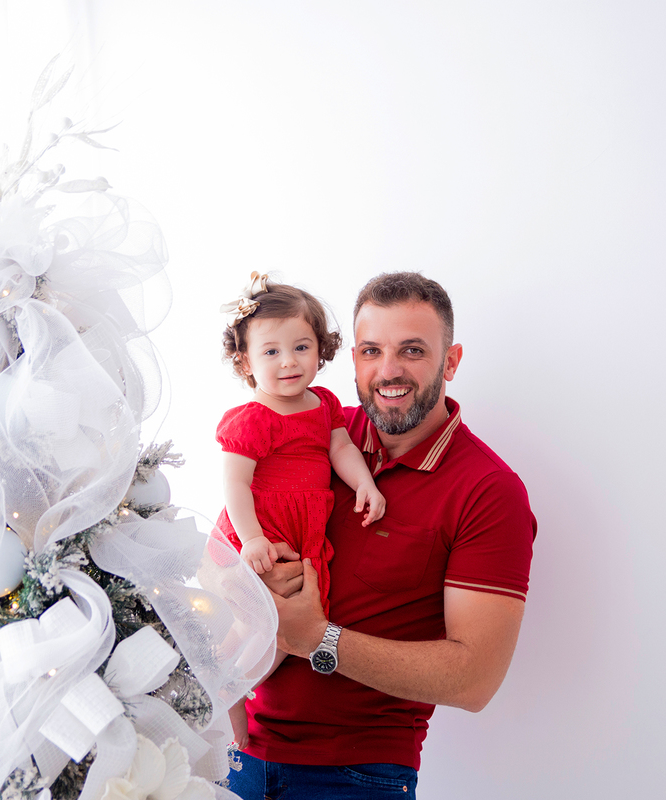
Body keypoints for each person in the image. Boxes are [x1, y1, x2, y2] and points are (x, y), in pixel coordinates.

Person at [228, 272, 536, 800]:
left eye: (412, 351)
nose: (388, 371)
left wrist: (316, 639)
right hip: (233, 756)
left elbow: (474, 679)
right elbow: (231, 533)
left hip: (353, 777)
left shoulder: (488, 490)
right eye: (371, 350)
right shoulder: (309, 428)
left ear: (451, 361)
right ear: (352, 360)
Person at [216, 272, 387, 750]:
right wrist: (251, 539)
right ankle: (220, 691)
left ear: (321, 349)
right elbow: (235, 483)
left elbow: (341, 448)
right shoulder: (253, 418)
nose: (288, 362)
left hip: (305, 531)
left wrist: (365, 482)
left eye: (301, 347)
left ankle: (234, 689)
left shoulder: (325, 404)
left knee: (287, 631)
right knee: (251, 619)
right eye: (271, 352)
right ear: (245, 361)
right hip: (263, 530)